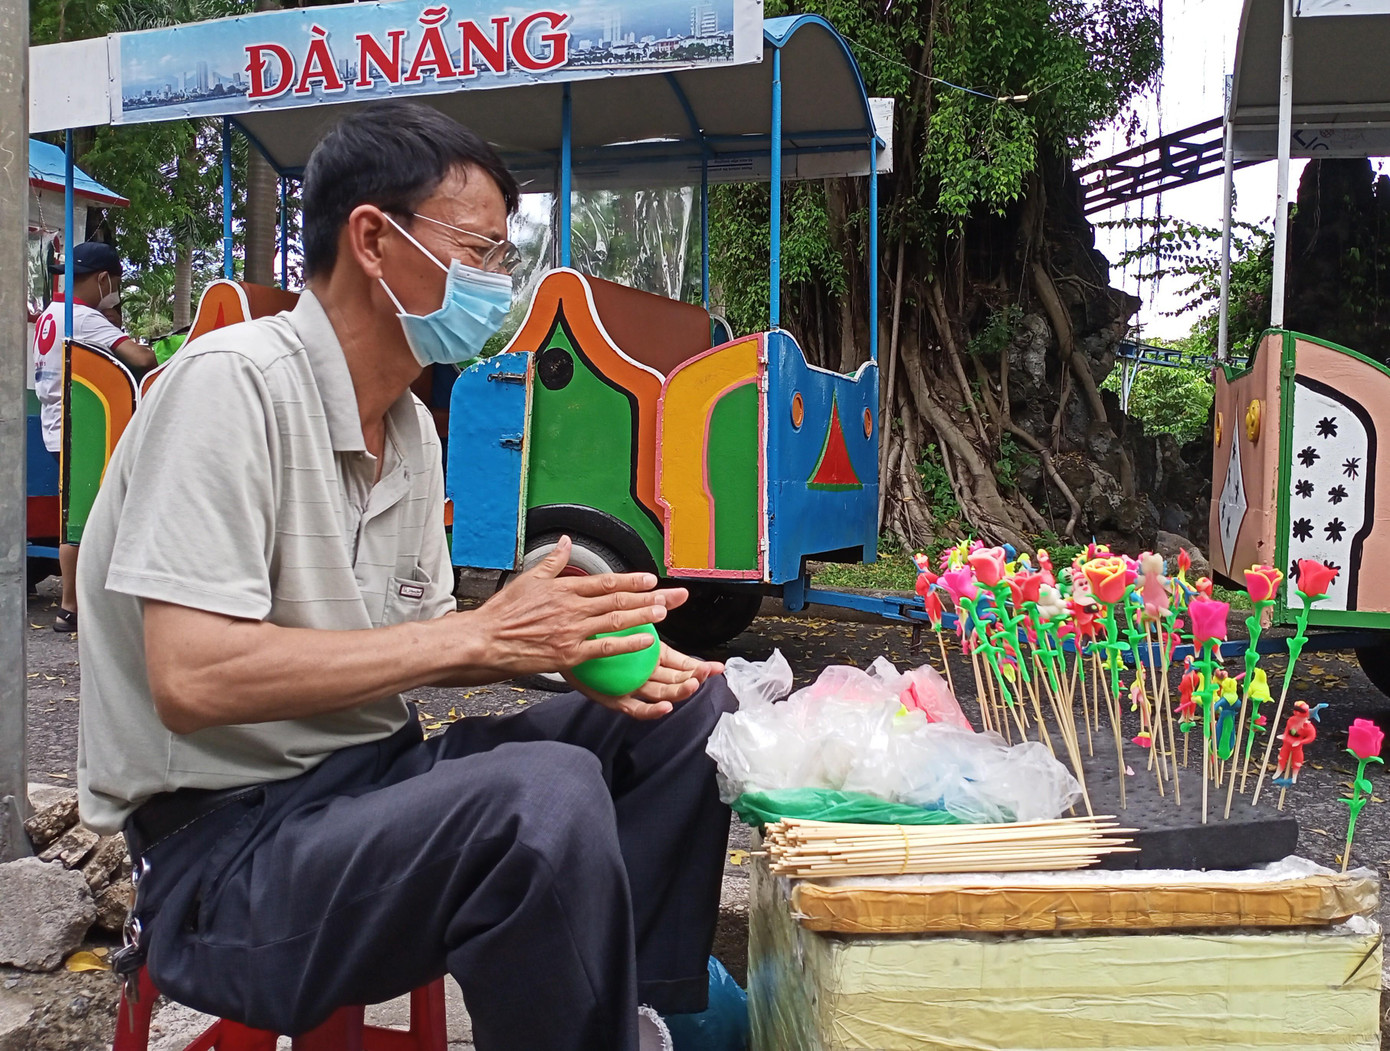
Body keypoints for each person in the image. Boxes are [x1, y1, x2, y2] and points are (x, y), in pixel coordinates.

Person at [77, 101, 735, 1051]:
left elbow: (412, 645)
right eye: (480, 251)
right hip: (228, 856)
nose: (498, 283)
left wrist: (557, 650)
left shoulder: (414, 428)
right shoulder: (233, 386)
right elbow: (193, 679)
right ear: (376, 241)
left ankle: (637, 1011)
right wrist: (487, 635)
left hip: (366, 786)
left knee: (684, 719)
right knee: (540, 797)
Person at [32, 241, 156, 631]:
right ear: (104, 279)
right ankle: (73, 606)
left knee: (75, 513)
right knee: (85, 518)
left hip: (55, 426)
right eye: (115, 282)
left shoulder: (52, 314)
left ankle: (73, 604)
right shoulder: (85, 318)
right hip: (83, 430)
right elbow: (143, 360)